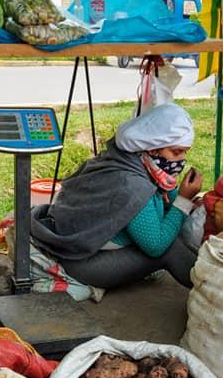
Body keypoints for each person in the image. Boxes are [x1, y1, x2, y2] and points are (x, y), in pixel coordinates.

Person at [31, 103, 203, 290]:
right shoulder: (132, 185)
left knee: (173, 231)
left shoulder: (131, 160)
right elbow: (156, 246)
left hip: (73, 247)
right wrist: (184, 202)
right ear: (153, 149)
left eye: (185, 152)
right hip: (82, 262)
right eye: (176, 152)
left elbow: (164, 197)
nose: (181, 160)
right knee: (170, 250)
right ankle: (213, 289)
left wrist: (181, 197)